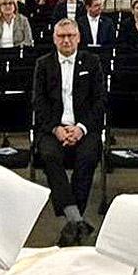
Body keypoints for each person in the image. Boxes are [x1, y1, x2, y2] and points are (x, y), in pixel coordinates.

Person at [32, 19, 106, 246]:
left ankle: (72, 223)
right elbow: (39, 103)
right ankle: (77, 220)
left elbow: (99, 101)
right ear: (54, 39)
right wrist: (56, 129)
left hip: (84, 128)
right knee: (49, 156)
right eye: (61, 36)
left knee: (88, 156)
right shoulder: (43, 64)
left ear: (79, 38)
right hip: (53, 129)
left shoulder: (92, 62)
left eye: (70, 36)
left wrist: (81, 128)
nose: (66, 40)